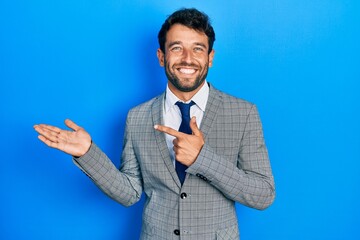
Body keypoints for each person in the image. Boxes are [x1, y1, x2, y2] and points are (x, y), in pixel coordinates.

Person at [34, 8, 275, 240]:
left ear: (210, 58)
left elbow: (263, 194)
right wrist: (88, 153)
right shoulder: (137, 117)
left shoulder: (243, 113)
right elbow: (129, 193)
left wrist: (202, 158)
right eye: (177, 48)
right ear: (161, 56)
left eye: (198, 49)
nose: (188, 59)